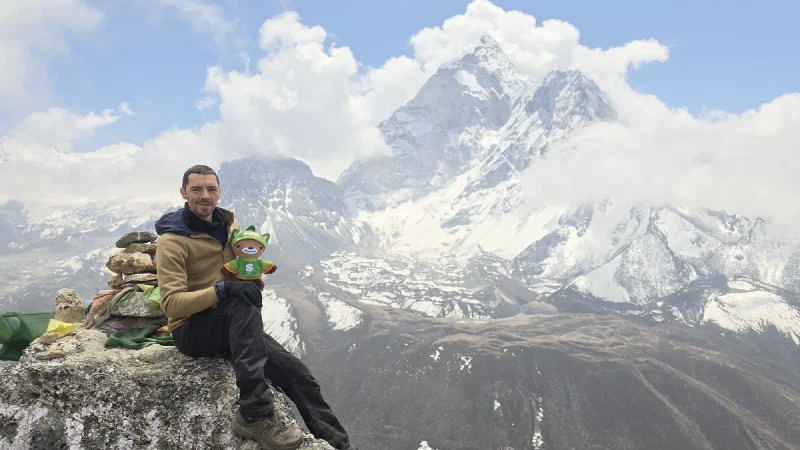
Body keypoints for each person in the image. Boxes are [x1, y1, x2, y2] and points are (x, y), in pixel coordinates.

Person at [154, 164, 353, 450]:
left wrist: (246, 280)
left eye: (211, 189)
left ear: (219, 192)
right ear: (184, 193)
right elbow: (171, 304)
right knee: (238, 302)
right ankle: (254, 414)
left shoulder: (230, 227)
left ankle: (339, 445)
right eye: (196, 189)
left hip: (230, 323)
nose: (205, 195)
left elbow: (239, 266)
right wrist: (224, 290)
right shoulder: (172, 242)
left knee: (298, 374)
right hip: (192, 330)